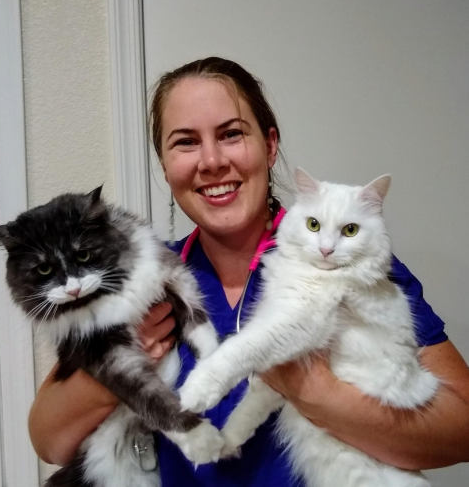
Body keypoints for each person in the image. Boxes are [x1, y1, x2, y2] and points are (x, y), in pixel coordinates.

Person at [29, 57, 469, 485]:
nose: (212, 160)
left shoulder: (351, 264)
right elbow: (49, 440)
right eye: (185, 142)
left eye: (231, 134)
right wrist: (127, 362)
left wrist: (311, 390)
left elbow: (460, 430)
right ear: (165, 166)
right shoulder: (143, 277)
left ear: (270, 144)